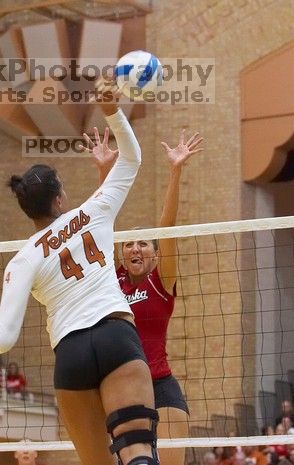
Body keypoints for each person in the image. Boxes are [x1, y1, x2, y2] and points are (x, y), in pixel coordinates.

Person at [0, 79, 160, 465]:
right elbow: (131, 158)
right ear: (61, 197)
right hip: (116, 335)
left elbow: (3, 339)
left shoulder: (23, 260)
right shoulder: (93, 211)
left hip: (71, 353)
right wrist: (111, 110)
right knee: (138, 452)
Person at [93, 127, 202, 465]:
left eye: (143, 242)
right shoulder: (114, 279)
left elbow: (167, 227)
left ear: (155, 254)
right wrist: (103, 172)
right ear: (122, 253)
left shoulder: (161, 278)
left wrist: (176, 170)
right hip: (121, 388)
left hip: (161, 386)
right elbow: (100, 224)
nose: (135, 247)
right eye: (129, 243)